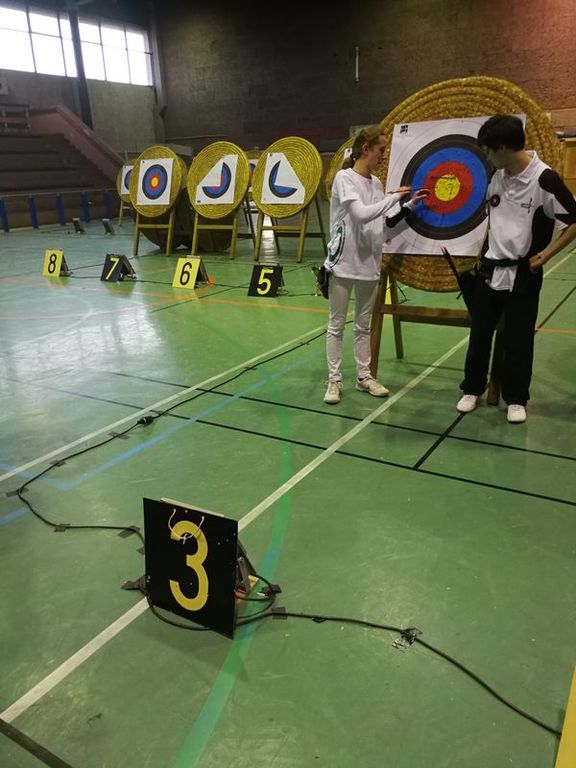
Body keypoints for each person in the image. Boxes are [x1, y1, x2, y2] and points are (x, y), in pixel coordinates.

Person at [457, 114, 576, 423]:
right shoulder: (497, 176)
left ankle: (516, 397)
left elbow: (573, 221)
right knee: (479, 334)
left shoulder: (544, 179)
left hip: (524, 273)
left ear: (504, 147)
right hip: (490, 270)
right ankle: (472, 388)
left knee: (519, 339)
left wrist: (546, 254)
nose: (486, 157)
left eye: (488, 151)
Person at [323, 126, 427, 404]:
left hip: (369, 263)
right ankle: (334, 380)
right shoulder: (344, 178)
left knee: (363, 325)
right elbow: (360, 215)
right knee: (336, 325)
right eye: (381, 150)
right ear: (365, 149)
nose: (383, 155)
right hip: (343, 263)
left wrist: (408, 206)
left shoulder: (377, 184)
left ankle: (363, 377)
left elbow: (384, 225)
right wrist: (394, 197)